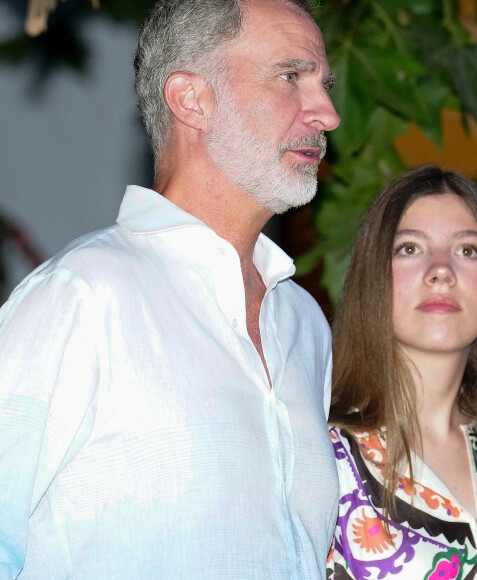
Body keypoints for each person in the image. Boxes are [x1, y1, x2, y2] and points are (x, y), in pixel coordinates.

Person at [0, 1, 341, 578]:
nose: (327, 113)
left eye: (324, 85)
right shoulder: (81, 298)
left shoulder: (303, 321)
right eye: (291, 77)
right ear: (191, 100)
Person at [326, 166, 477, 580]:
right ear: (372, 277)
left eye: (468, 250)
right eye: (409, 249)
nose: (441, 271)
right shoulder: (326, 457)